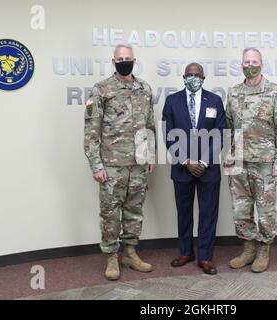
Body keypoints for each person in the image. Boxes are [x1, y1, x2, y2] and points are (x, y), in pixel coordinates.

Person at [84, 44, 156, 280]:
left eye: (128, 58)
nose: (125, 61)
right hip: (112, 165)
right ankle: (112, 257)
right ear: (113, 62)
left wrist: (151, 155)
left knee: (134, 211)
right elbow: (91, 132)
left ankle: (131, 253)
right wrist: (96, 165)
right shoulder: (101, 90)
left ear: (135, 60)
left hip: (138, 164)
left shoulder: (144, 88)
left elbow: (150, 125)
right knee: (110, 213)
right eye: (120, 58)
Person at [225, 48, 277, 273]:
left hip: (265, 163)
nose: (250, 65)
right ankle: (248, 249)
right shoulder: (234, 93)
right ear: (241, 65)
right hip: (238, 163)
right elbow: (228, 127)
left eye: (254, 61)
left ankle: (263, 249)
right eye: (246, 62)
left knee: (266, 211)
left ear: (262, 64)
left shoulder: (275, 92)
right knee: (240, 210)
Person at [162, 63, 226, 275]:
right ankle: (185, 252)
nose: (193, 77)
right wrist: (186, 160)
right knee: (184, 213)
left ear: (204, 77)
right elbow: (168, 134)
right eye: (189, 74)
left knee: (208, 214)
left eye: (197, 75)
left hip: (209, 169)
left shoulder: (215, 100)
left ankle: (205, 257)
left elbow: (220, 134)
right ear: (183, 77)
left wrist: (204, 162)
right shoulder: (172, 101)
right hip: (182, 168)